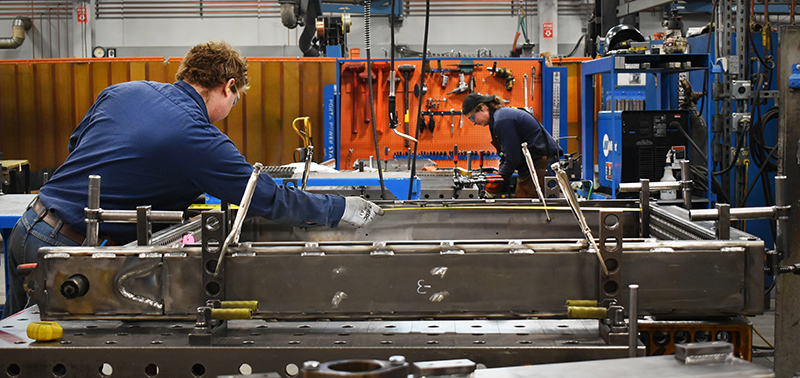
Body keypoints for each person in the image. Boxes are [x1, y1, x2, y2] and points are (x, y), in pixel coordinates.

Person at [2, 41, 382, 318]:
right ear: (228, 86)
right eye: (236, 100)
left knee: (20, 343)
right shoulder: (199, 138)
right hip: (67, 251)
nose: (231, 109)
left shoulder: (122, 91)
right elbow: (264, 198)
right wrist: (340, 208)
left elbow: (79, 145)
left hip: (28, 229)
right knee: (58, 349)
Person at [462, 92, 562, 198]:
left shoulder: (502, 120)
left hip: (541, 166)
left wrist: (494, 185)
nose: (473, 123)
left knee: (535, 210)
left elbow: (512, 159)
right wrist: (499, 177)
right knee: (525, 207)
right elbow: (505, 157)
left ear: (482, 108)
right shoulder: (498, 119)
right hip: (531, 167)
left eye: (472, 118)